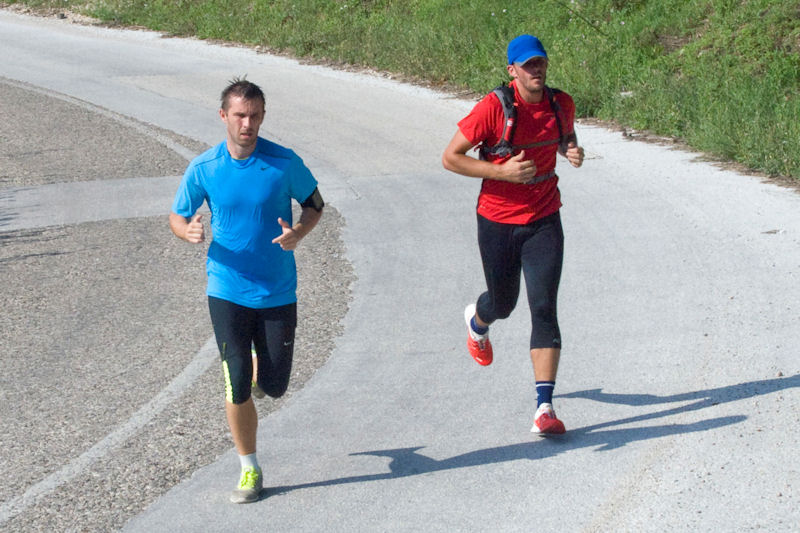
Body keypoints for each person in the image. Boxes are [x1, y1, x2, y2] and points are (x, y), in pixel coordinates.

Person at [169, 78, 324, 503]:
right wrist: (187, 232)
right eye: (239, 115)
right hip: (226, 287)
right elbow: (178, 216)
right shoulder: (205, 167)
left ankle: (260, 371)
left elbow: (315, 204)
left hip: (277, 289)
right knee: (235, 380)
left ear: (263, 116)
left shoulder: (283, 163)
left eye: (254, 116)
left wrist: (298, 233)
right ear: (224, 116)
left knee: (273, 387)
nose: (247, 124)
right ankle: (249, 468)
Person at [441, 34, 585, 436]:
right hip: (498, 220)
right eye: (528, 65)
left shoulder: (561, 103)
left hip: (544, 218)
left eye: (541, 62)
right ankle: (478, 322)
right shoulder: (494, 108)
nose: (536, 70)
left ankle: (544, 408)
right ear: (512, 71)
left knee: (544, 308)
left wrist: (572, 150)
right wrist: (500, 172)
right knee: (503, 303)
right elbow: (450, 158)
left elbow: (565, 136)